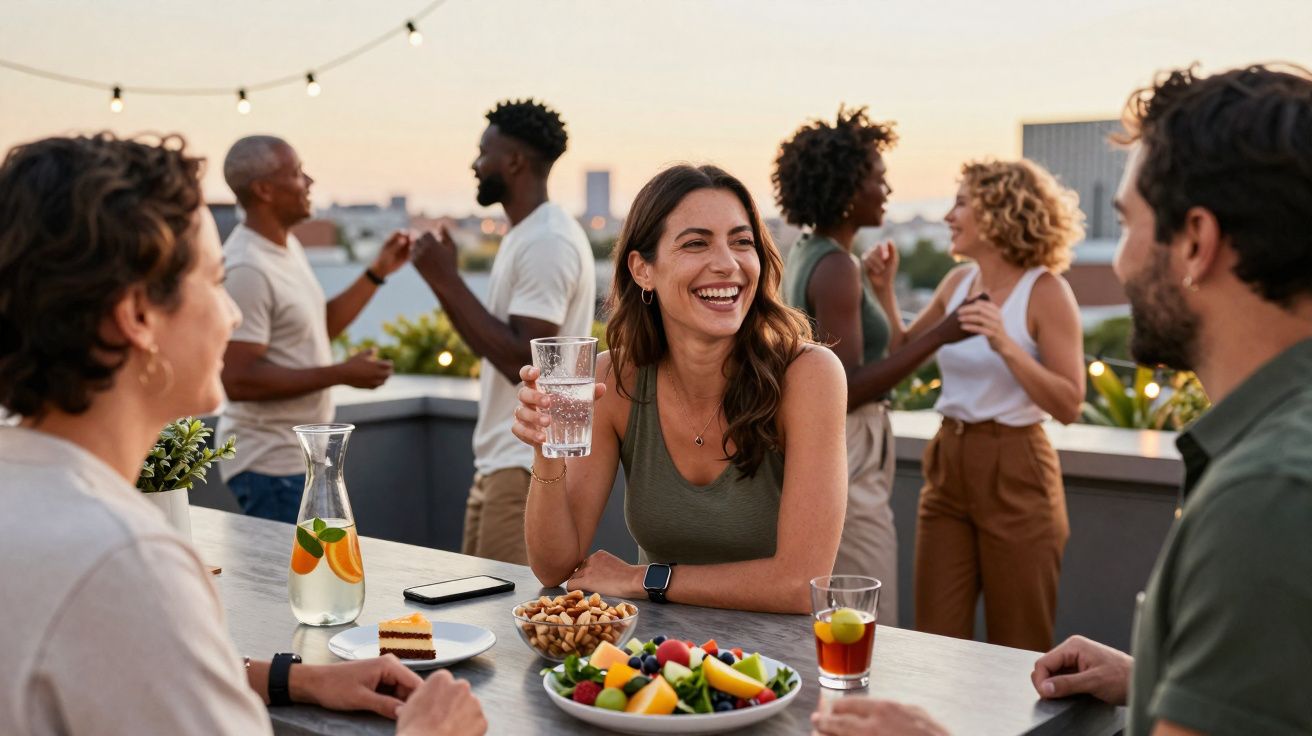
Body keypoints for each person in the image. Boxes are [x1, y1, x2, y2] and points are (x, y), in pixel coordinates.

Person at [0, 133, 485, 735]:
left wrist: (295, 678)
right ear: (138, 316)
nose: (231, 314)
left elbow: (136, 662)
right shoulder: (124, 562)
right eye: (215, 280)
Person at [1030, 63, 1312, 735]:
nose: (1122, 262)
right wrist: (1156, 675)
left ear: (1194, 241)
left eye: (1127, 222)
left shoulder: (1269, 496)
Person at [510, 164, 848, 614]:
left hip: (780, 670)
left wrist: (644, 579)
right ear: (642, 269)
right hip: (660, 663)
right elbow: (554, 567)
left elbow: (800, 584)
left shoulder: (810, 375)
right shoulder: (612, 380)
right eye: (696, 243)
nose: (727, 264)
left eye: (742, 241)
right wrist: (545, 450)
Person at [773, 107, 972, 626]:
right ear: (846, 189)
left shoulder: (814, 253)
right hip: (850, 441)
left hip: (832, 439)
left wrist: (880, 287)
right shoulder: (836, 267)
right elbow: (851, 386)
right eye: (878, 179)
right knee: (860, 604)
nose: (887, 189)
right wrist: (943, 334)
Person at [901, 157, 1086, 652]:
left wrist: (1005, 344)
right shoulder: (956, 284)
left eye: (961, 202)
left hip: (1018, 468)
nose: (948, 216)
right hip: (947, 464)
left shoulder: (1046, 291)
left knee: (1018, 646)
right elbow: (903, 350)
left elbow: (1070, 403)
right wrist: (881, 286)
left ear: (1000, 211)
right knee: (934, 644)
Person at [411, 99, 595, 565]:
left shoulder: (547, 240)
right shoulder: (526, 234)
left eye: (483, 151)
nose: (475, 164)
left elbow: (522, 359)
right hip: (501, 464)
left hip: (524, 469)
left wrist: (445, 280)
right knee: (479, 620)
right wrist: (445, 281)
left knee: (505, 626)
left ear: (513, 161)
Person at [218, 135, 410, 523]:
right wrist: (342, 374)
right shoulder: (247, 267)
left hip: (296, 460)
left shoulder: (284, 248)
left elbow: (315, 328)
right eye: (297, 172)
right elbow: (238, 379)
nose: (310, 181)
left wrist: (377, 272)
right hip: (269, 464)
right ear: (264, 189)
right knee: (294, 583)